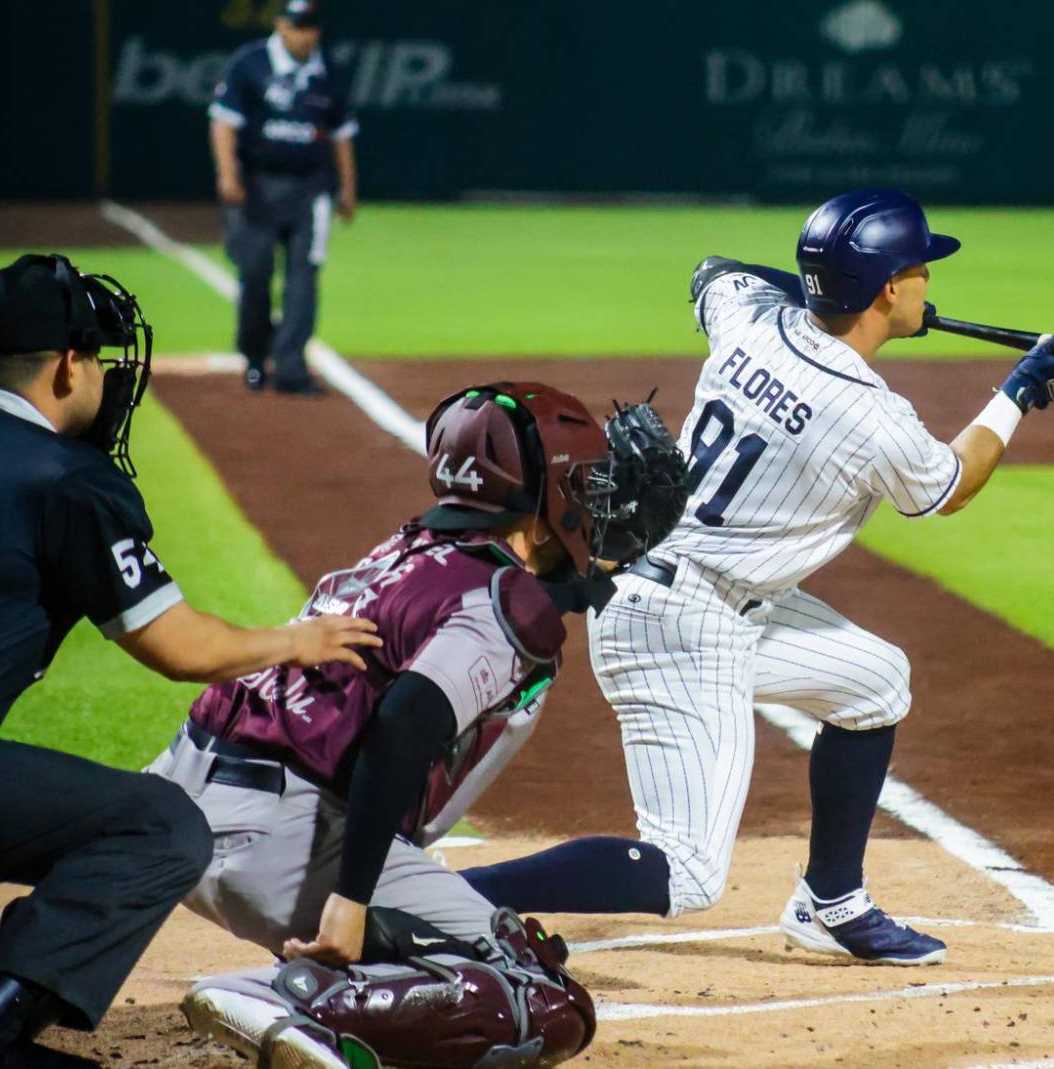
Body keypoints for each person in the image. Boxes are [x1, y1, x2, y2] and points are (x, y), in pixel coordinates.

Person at [460, 190, 1054, 966]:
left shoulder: (751, 320)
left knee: (875, 682)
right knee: (686, 870)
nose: (931, 276)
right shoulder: (870, 415)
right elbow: (952, 484)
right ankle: (454, 896)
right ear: (890, 288)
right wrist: (1019, 392)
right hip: (678, 625)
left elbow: (713, 272)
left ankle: (831, 902)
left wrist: (824, 293)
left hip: (702, 596)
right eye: (922, 265)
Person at [152, 380, 677, 1069]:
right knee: (539, 997)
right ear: (544, 500)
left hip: (179, 808)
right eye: (583, 485)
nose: (594, 502)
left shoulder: (407, 549)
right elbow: (402, 725)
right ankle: (285, 999)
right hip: (278, 840)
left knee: (435, 923)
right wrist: (350, 902)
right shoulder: (509, 603)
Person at [0, 254, 378, 1068]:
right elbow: (179, 646)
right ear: (67, 364)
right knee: (158, 824)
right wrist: (297, 639)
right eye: (97, 358)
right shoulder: (61, 477)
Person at [208, 0, 360, 396]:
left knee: (304, 280)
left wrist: (348, 188)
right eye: (296, 27)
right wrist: (228, 175)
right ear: (280, 25)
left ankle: (291, 366)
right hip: (258, 186)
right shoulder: (250, 63)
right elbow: (223, 122)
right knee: (255, 274)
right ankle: (256, 356)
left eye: (310, 27)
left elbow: (342, 135)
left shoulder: (329, 71)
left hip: (312, 188)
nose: (304, 36)